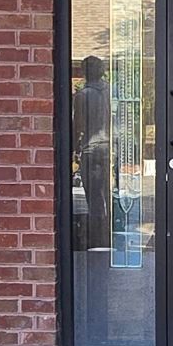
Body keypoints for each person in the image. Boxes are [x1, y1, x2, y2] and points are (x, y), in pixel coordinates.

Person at [73, 55, 115, 250]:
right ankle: (107, 234)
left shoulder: (83, 95)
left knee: (94, 196)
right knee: (106, 193)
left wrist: (72, 147)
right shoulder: (109, 92)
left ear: (84, 72)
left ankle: (96, 238)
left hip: (91, 148)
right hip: (107, 147)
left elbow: (78, 125)